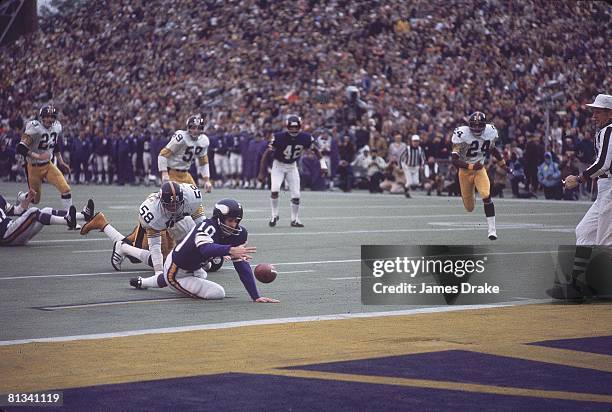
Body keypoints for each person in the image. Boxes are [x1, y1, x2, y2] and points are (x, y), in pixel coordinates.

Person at [130, 199, 279, 303]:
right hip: (177, 269)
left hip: (193, 267)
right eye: (230, 220)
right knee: (217, 293)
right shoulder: (208, 226)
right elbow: (206, 249)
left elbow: (241, 266)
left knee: (201, 276)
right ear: (219, 218)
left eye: (236, 221)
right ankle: (165, 281)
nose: (234, 225)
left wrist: (255, 296)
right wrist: (230, 249)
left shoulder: (239, 234)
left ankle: (142, 282)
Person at [548, 94, 612, 301]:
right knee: (584, 231)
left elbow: (603, 163)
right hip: (605, 189)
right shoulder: (605, 131)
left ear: (610, 113)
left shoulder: (609, 130)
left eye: (599, 111)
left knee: (605, 243)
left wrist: (579, 178)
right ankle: (576, 286)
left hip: (610, 189)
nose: (594, 115)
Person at [80, 181, 207, 274]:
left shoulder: (191, 198)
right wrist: (158, 272)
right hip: (158, 222)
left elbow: (201, 224)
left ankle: (119, 240)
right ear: (162, 202)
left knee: (184, 242)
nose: (174, 208)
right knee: (147, 257)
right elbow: (155, 245)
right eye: (170, 205)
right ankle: (112, 234)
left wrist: (207, 245)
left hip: (176, 221)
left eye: (177, 204)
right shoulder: (154, 212)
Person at [258, 115, 327, 227]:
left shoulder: (305, 137)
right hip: (278, 166)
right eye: (291, 127)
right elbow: (266, 153)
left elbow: (316, 151)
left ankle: (294, 219)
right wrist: (261, 172)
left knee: (296, 195)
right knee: (274, 190)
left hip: (292, 166)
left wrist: (323, 165)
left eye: (296, 127)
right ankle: (274, 215)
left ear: (300, 127)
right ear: (287, 126)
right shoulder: (279, 137)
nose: (294, 130)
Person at [451, 112, 506, 240]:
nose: (476, 128)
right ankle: (472, 194)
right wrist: (470, 166)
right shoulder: (461, 134)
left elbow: (492, 149)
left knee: (486, 195)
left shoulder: (490, 131)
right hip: (464, 172)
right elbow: (454, 160)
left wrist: (502, 163)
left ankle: (492, 231)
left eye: (479, 125)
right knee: (469, 207)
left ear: (484, 125)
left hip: (480, 169)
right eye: (473, 126)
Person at [16, 105, 74, 212]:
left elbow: (54, 144)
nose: (49, 119)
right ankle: (21, 197)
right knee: (34, 200)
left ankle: (70, 219)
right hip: (33, 168)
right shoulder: (35, 128)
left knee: (66, 189)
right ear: (41, 117)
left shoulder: (56, 127)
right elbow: (20, 148)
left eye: (52, 117)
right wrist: (37, 156)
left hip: (48, 165)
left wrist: (61, 162)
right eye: (47, 116)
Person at [0, 189, 91, 245]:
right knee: (33, 212)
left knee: (45, 210)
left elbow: (17, 211)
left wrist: (28, 199)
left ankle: (83, 216)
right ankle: (68, 222)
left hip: (14, 231)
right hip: (6, 236)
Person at [158, 115, 212, 193]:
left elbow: (203, 162)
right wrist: (164, 173)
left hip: (186, 174)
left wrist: (207, 180)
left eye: (199, 128)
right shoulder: (181, 137)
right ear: (188, 128)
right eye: (193, 127)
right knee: (173, 201)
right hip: (172, 173)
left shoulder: (204, 140)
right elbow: (163, 154)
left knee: (196, 201)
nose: (196, 130)